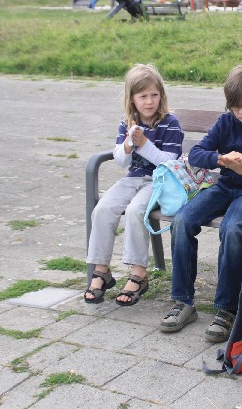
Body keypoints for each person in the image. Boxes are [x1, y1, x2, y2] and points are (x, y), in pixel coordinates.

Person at [160, 65, 242, 342]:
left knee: (233, 230)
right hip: (224, 185)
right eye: (236, 107)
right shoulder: (224, 122)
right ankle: (182, 301)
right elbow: (196, 154)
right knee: (182, 221)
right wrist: (221, 160)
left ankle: (226, 309)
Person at [85, 64, 183, 306]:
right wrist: (129, 143)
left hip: (160, 182)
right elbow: (121, 160)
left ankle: (139, 273)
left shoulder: (170, 123)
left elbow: (169, 163)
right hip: (132, 178)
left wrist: (145, 144)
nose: (149, 101)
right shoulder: (127, 121)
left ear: (161, 95)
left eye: (154, 95)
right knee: (103, 209)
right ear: (132, 99)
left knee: (136, 211)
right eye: (143, 96)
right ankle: (101, 270)